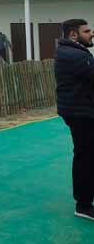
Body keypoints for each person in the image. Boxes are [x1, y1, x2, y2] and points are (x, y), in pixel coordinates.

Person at [54, 19, 94, 221]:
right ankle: (84, 205)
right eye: (87, 31)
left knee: (87, 155)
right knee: (85, 157)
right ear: (73, 34)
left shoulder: (73, 52)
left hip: (82, 110)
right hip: (81, 114)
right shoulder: (74, 55)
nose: (92, 33)